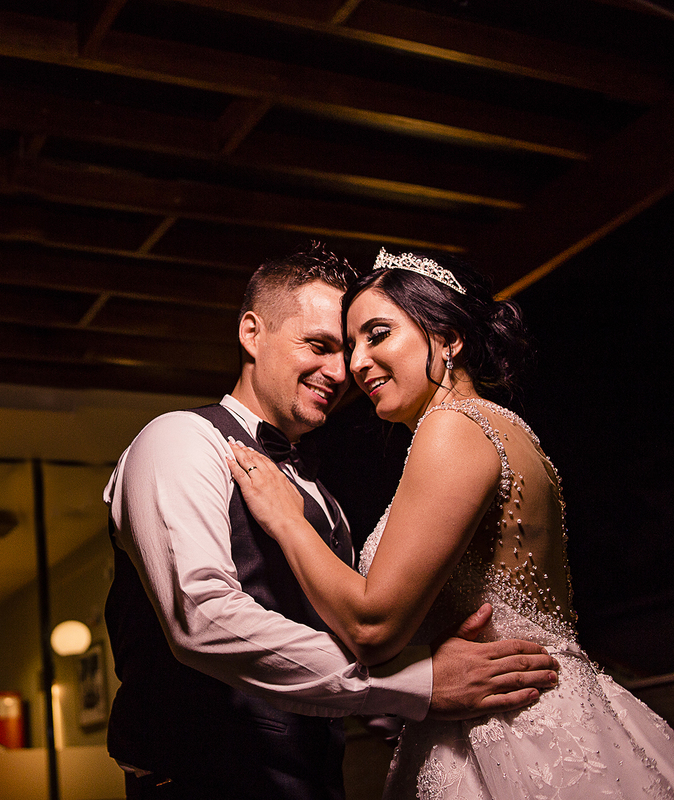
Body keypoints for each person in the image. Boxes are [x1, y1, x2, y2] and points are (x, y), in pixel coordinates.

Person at [103, 244, 560, 800]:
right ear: (252, 333)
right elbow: (201, 616)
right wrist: (417, 680)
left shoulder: (322, 496)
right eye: (319, 346)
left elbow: (353, 626)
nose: (343, 371)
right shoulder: (179, 440)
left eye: (350, 349)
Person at [226, 248, 674, 798]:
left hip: (503, 734)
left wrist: (287, 519)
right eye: (351, 345)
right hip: (551, 714)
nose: (356, 364)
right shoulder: (506, 428)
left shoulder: (453, 427)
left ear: (447, 338)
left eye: (378, 334)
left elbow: (372, 627)